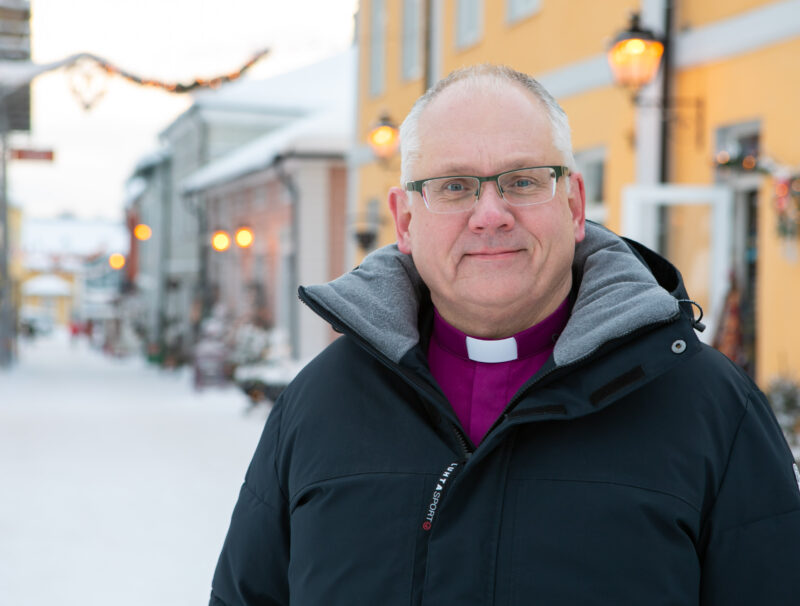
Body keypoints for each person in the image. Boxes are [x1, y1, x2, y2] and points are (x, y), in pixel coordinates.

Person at [209, 65, 800, 605]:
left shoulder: (710, 409)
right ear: (406, 220)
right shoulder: (319, 406)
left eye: (522, 181)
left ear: (573, 204)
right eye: (454, 186)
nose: (490, 214)